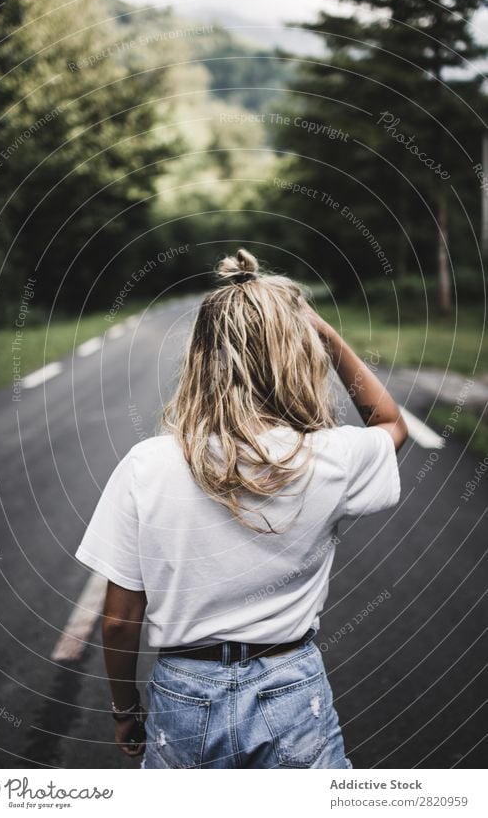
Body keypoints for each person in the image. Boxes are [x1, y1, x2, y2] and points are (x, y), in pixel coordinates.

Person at [75, 248, 407, 769]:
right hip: (292, 684)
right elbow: (391, 424)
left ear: (203, 356)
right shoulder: (327, 457)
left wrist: (124, 709)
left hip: (185, 690)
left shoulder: (148, 464)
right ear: (296, 354)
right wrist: (321, 329)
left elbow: (118, 623)